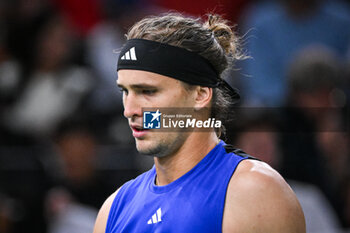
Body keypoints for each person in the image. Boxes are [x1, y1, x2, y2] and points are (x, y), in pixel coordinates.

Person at [93, 13, 305, 233]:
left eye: (148, 91)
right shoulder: (113, 209)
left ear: (201, 94)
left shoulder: (255, 193)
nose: (130, 111)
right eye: (125, 91)